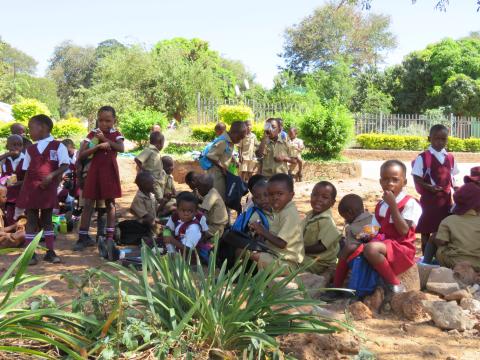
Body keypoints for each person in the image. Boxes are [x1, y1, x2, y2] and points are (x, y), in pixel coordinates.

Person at [337, 160, 421, 293]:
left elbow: (404, 231)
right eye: (386, 180)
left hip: (402, 248)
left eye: (395, 180)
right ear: (381, 182)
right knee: (349, 247)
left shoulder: (410, 203)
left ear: (404, 182)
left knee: (371, 249)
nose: (390, 184)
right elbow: (373, 229)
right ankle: (337, 287)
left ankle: (396, 284)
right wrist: (357, 242)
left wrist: (393, 206)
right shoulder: (381, 205)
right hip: (383, 244)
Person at [16, 114, 70, 264]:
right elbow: (27, 171)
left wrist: (51, 176)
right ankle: (30, 253)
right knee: (31, 220)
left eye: (31, 128)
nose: (29, 132)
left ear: (43, 128)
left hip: (48, 188)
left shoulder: (58, 146)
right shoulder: (30, 149)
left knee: (47, 219)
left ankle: (50, 252)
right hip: (31, 188)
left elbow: (65, 165)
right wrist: (23, 193)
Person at [75, 106, 124, 252]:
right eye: (101, 120)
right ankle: (82, 237)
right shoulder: (92, 134)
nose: (104, 124)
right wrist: (96, 146)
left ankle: (109, 237)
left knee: (110, 204)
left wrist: (105, 140)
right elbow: (82, 154)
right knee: (88, 203)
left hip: (109, 171)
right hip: (94, 172)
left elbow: (121, 148)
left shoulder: (116, 134)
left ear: (114, 120)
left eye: (108, 120)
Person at [412, 124, 458, 255]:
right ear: (429, 139)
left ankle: (438, 256)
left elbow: (452, 176)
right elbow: (416, 177)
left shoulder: (450, 157)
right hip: (429, 201)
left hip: (446, 201)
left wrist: (457, 189)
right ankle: (425, 257)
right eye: (436, 139)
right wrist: (429, 187)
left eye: (443, 139)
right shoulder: (423, 157)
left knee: (443, 229)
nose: (440, 142)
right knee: (426, 229)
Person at [249, 174, 305, 273]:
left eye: (279, 194)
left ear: (291, 195)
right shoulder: (279, 210)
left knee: (251, 254)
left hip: (288, 263)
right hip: (277, 255)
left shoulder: (289, 213)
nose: (275, 197)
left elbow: (282, 243)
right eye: (271, 194)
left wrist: (263, 231)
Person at [433, 182, 480, 271]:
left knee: (440, 249)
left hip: (455, 262)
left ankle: (426, 263)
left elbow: (441, 242)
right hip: (478, 264)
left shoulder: (449, 220)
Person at [302, 181, 342, 276]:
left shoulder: (327, 221)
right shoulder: (309, 215)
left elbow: (321, 247)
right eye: (315, 195)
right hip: (308, 256)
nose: (318, 199)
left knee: (288, 261)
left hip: (319, 263)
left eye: (325, 197)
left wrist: (300, 249)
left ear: (332, 203)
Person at [206, 121, 247, 201]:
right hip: (216, 174)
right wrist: (222, 168)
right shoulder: (223, 141)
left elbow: (225, 153)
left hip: (223, 173)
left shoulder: (230, 141)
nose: (240, 140)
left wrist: (234, 160)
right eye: (239, 137)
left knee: (224, 195)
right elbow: (211, 156)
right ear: (234, 133)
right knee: (217, 197)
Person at [1, 135, 25, 226]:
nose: (17, 147)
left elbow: (29, 178)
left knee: (19, 216)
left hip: (20, 193)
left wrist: (18, 183)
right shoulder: (4, 159)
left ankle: (17, 234)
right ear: (7, 146)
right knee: (6, 216)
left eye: (20, 145)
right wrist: (8, 154)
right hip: (6, 194)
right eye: (14, 145)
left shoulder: (25, 158)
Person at [134, 131, 165, 202]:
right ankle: (159, 211)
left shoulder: (156, 152)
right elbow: (137, 159)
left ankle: (155, 210)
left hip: (158, 179)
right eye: (163, 143)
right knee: (159, 198)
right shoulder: (149, 150)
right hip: (152, 180)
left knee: (156, 198)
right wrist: (143, 170)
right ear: (160, 143)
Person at [196, 174, 228, 239]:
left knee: (194, 231)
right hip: (216, 225)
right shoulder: (212, 191)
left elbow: (201, 211)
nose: (197, 190)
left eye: (199, 187)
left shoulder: (210, 196)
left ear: (205, 187)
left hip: (215, 228)